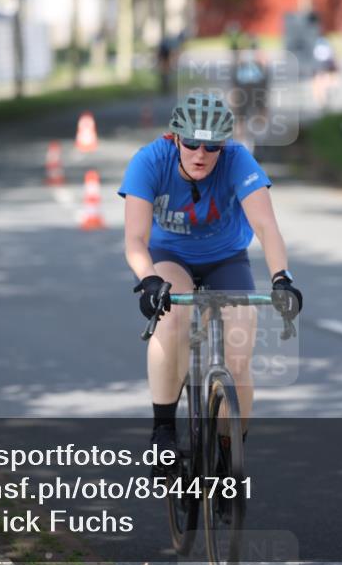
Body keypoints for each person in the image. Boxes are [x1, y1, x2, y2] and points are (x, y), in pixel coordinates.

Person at [118, 92, 303, 468]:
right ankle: (164, 429)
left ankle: (229, 451)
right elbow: (135, 240)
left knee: (238, 356)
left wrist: (281, 277)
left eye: (212, 146)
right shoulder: (149, 161)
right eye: (191, 143)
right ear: (174, 138)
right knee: (172, 321)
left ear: (225, 144)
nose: (201, 154)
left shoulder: (237, 160)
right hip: (170, 258)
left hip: (226, 258)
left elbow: (266, 227)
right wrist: (148, 279)